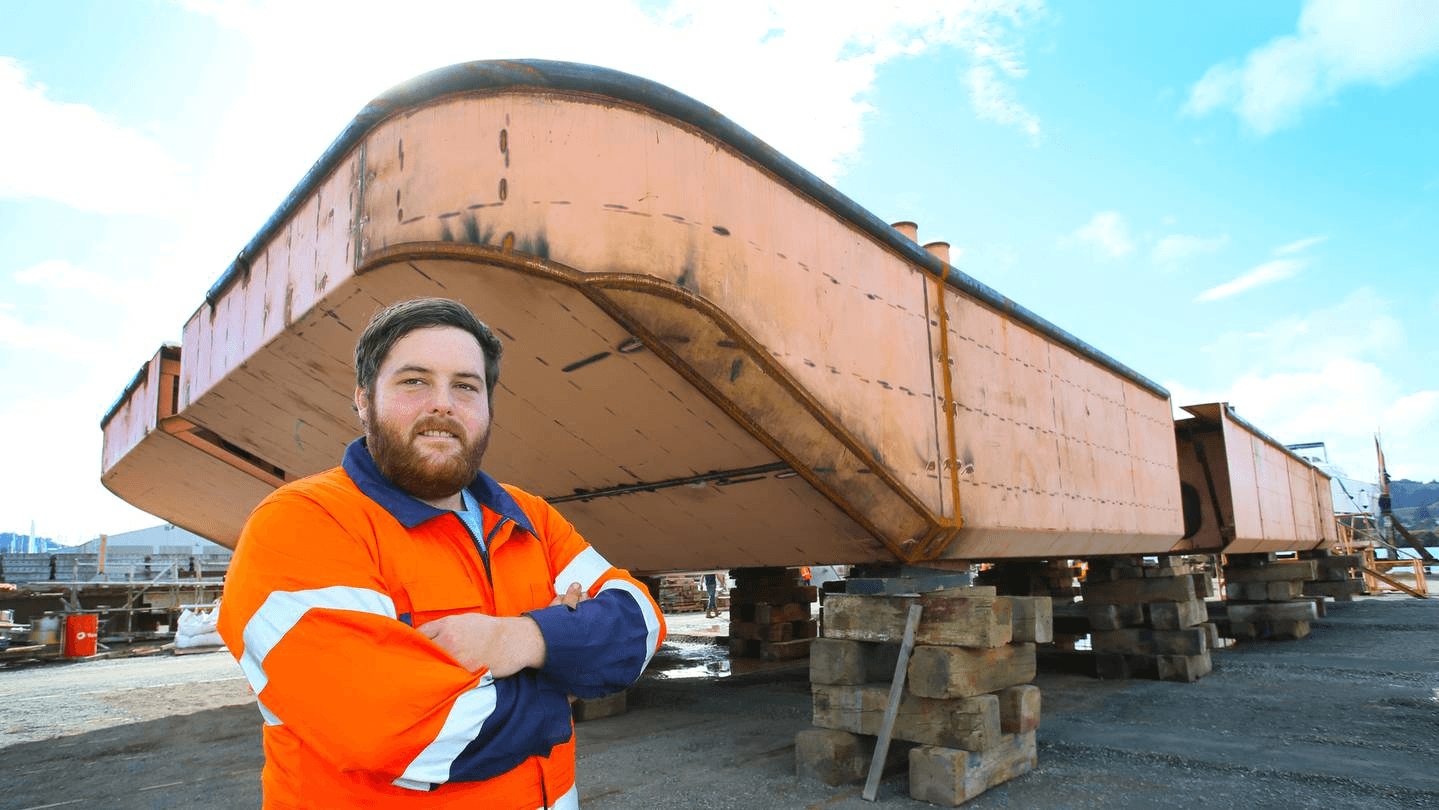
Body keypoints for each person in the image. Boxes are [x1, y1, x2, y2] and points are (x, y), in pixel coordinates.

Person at [218, 298, 666, 809]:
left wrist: (518, 640)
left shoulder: (529, 517)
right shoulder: (301, 525)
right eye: (414, 381)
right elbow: (392, 729)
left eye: (465, 386)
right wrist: (567, 669)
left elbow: (641, 622)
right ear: (363, 399)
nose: (443, 404)